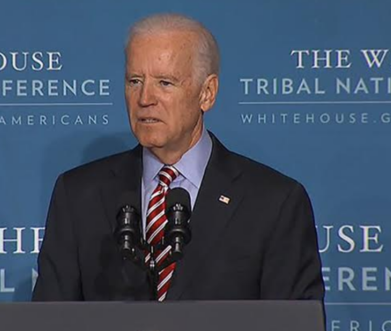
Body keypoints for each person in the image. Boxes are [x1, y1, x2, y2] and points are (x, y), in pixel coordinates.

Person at [32, 13, 324, 302]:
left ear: (207, 93)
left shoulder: (275, 202)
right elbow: (48, 319)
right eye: (134, 81)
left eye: (165, 83)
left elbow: (295, 320)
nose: (145, 98)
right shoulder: (78, 195)